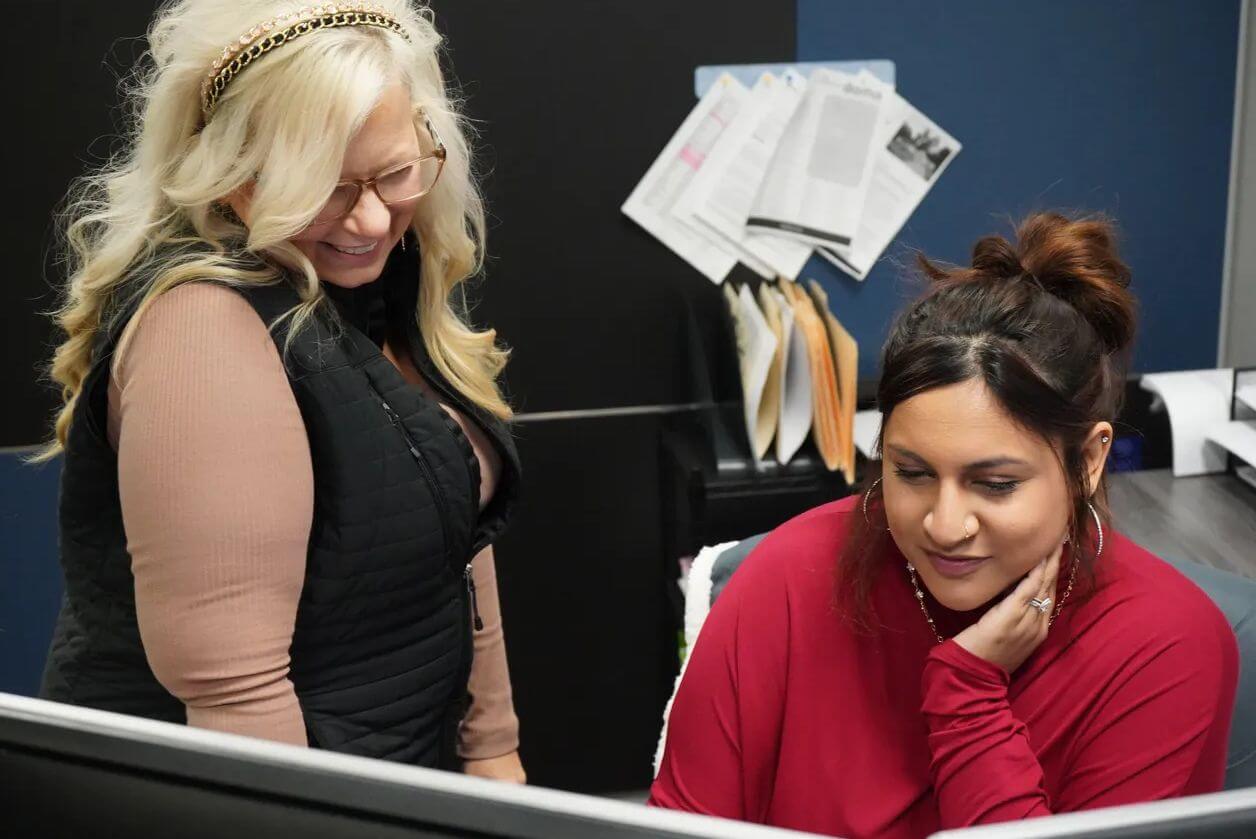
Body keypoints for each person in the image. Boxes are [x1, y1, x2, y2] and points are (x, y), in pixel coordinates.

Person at [37, 0, 526, 781]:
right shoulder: (201, 330)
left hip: (403, 780)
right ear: (229, 175)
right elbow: (240, 709)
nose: (369, 218)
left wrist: (494, 751)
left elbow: (460, 537)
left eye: (394, 173)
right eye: (321, 187)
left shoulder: (375, 283)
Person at [650, 213, 1238, 836]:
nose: (944, 524)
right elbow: (683, 827)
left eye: (995, 484)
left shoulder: (1166, 646)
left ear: (1089, 460)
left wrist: (971, 693)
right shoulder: (795, 570)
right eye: (912, 472)